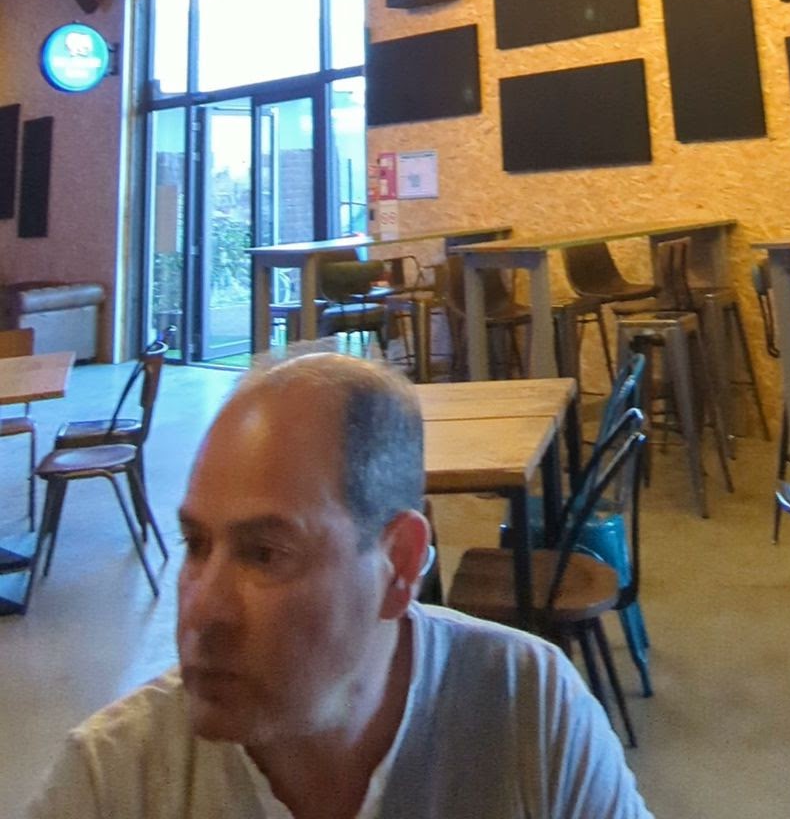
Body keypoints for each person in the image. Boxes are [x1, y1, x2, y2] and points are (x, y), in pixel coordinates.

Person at [27, 351, 653, 819]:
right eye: (196, 545)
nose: (203, 611)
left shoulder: (530, 714)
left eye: (264, 554)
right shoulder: (115, 780)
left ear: (400, 565)